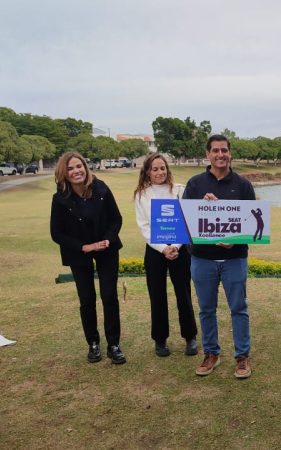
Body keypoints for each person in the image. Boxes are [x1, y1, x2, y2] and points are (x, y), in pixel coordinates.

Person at [183, 134, 256, 379]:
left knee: (239, 308)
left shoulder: (243, 185)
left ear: (230, 153)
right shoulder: (194, 184)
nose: (220, 155)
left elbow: (253, 223)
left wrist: (234, 239)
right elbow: (187, 222)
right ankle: (211, 353)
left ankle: (242, 356)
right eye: (215, 151)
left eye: (224, 150)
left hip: (234, 258)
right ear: (208, 154)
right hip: (202, 258)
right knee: (206, 309)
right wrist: (203, 207)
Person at [50, 152, 126, 364]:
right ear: (64, 173)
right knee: (87, 299)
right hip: (79, 253)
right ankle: (93, 343)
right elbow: (56, 233)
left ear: (85, 167)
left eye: (79, 166)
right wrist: (84, 247)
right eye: (70, 169)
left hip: (106, 249)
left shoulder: (101, 188)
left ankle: (114, 344)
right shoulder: (60, 199)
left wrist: (107, 240)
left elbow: (116, 219)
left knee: (109, 296)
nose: (76, 171)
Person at [134, 153, 198, 358]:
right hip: (155, 251)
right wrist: (163, 248)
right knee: (157, 295)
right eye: (155, 169)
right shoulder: (141, 194)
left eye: (163, 168)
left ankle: (190, 337)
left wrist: (176, 246)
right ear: (147, 172)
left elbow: (188, 220)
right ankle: (160, 340)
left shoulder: (179, 191)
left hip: (180, 249)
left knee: (184, 293)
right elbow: (144, 227)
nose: (160, 172)